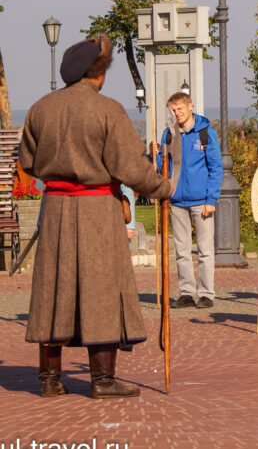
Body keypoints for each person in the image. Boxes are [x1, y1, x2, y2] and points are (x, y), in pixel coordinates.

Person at [20, 35, 174, 398]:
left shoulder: (40, 108)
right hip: (98, 212)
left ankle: (49, 380)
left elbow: (27, 162)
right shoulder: (108, 110)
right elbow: (130, 167)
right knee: (102, 290)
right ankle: (102, 381)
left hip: (55, 210)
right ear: (99, 75)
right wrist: (162, 187)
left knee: (53, 292)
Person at [158, 92, 223, 310]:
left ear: (190, 106)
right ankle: (186, 292)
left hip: (201, 200)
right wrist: (157, 162)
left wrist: (211, 198)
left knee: (205, 250)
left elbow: (215, 167)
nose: (177, 113)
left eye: (180, 109)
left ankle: (205, 293)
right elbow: (162, 164)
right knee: (182, 251)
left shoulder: (206, 133)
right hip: (176, 200)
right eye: (173, 110)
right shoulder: (169, 134)